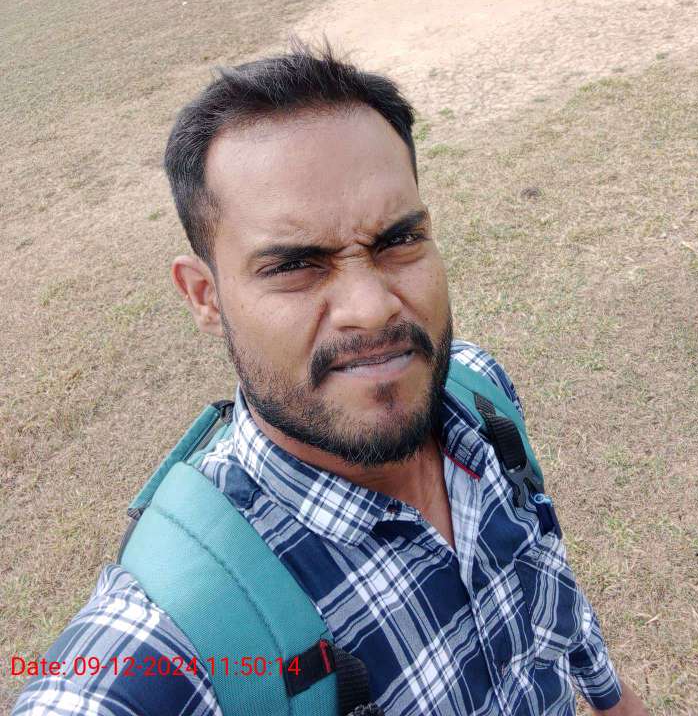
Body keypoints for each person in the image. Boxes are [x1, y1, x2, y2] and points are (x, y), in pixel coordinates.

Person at [12, 44, 649, 716]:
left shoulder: (480, 396)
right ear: (206, 296)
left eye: (398, 240)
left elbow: (550, 587)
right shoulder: (175, 634)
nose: (371, 308)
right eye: (294, 265)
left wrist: (612, 699)